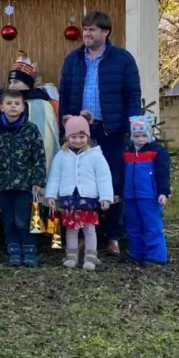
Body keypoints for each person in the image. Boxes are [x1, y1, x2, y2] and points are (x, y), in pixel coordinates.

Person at [58, 12, 141, 256]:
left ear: (106, 32)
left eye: (92, 30)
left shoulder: (123, 59)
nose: (87, 34)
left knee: (113, 182)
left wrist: (134, 127)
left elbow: (133, 95)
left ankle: (113, 235)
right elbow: (64, 94)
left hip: (111, 130)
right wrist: (65, 125)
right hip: (80, 132)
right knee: (81, 182)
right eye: (85, 29)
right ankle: (85, 234)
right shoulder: (73, 60)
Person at [0, 88, 48, 268]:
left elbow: (39, 157)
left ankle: (29, 249)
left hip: (25, 184)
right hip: (3, 183)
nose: (13, 107)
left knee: (23, 219)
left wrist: (38, 181)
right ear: (1, 107)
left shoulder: (31, 129)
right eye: (9, 103)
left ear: (23, 107)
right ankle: (13, 249)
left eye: (17, 103)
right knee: (8, 219)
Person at [45, 112, 115, 272]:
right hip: (69, 198)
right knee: (71, 228)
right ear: (67, 137)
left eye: (82, 137)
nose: (78, 140)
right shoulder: (61, 155)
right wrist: (51, 195)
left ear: (87, 137)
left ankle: (90, 256)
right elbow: (55, 176)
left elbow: (104, 177)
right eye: (74, 137)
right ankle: (71, 255)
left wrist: (105, 197)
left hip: (87, 199)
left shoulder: (95, 155)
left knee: (89, 228)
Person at [122, 113, 171, 265]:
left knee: (152, 225)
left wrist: (163, 192)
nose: (140, 139)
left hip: (150, 195)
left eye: (144, 135)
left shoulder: (157, 151)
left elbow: (163, 173)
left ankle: (157, 256)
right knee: (133, 225)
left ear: (149, 134)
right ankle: (137, 253)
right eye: (137, 136)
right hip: (130, 195)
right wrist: (118, 191)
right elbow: (121, 174)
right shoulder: (127, 152)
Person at [8, 54, 60, 170]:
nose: (11, 86)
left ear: (27, 83)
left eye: (16, 82)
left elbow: (48, 139)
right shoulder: (6, 103)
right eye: (10, 82)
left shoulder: (42, 105)